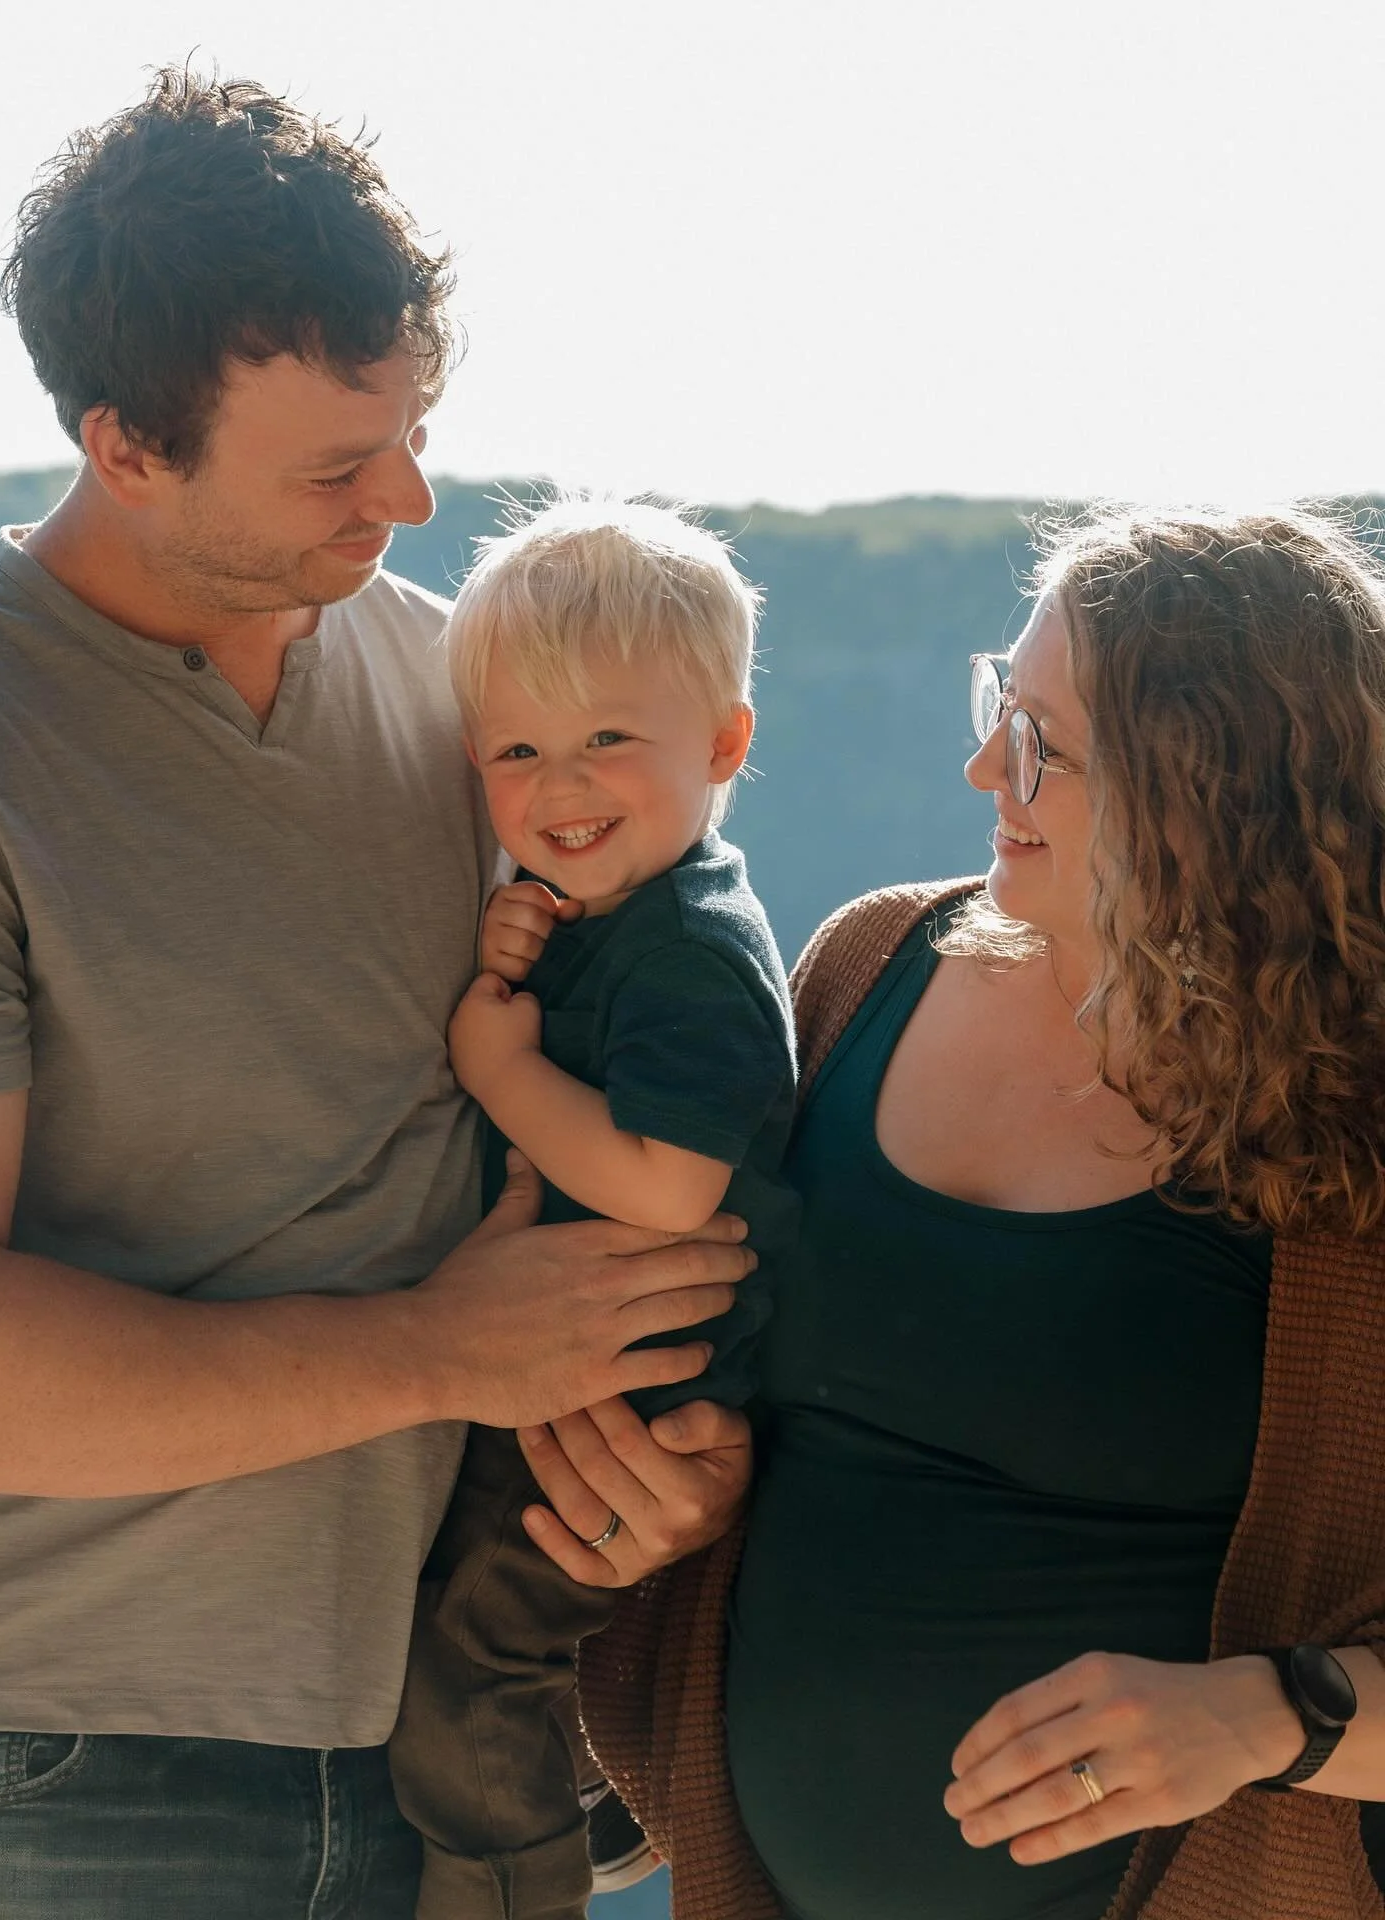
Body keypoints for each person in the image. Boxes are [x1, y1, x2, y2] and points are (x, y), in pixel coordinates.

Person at [0, 70, 753, 1920]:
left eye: (410, 430)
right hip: (56, 1764)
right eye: (335, 467)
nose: (409, 495)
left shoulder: (473, 690)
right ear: (124, 445)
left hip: (443, 1748)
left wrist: (665, 1466)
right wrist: (445, 1354)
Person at [579, 505, 1385, 1920]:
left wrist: (1271, 1716)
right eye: (998, 708)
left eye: (1043, 747)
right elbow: (760, 1383)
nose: (978, 769)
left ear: (1221, 789)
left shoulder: (1361, 1102)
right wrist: (693, 1488)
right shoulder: (866, 966)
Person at [388, 496, 797, 1919]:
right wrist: (528, 941)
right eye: (518, 750)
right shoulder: (619, 908)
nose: (563, 781)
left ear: (726, 746)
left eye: (609, 739)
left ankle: (512, 1891)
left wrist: (495, 1060)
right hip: (572, 1357)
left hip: (624, 1393)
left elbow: (665, 1186)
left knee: (475, 1668)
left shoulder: (696, 951)